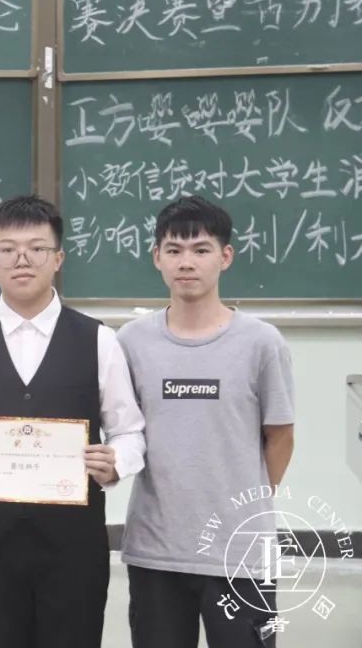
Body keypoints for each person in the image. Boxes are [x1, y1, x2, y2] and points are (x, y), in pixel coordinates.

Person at [0, 194, 146, 648]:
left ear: (58, 258)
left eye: (36, 248)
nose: (21, 259)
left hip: (74, 543)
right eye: (8, 249)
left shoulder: (98, 340)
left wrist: (115, 463)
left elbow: (129, 431)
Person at [118, 196, 295, 648]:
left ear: (225, 256)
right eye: (174, 250)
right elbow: (121, 431)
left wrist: (243, 503)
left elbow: (280, 436)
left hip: (241, 555)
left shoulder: (262, 342)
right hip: (156, 552)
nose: (187, 262)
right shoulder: (131, 342)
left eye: (201, 249)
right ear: (156, 257)